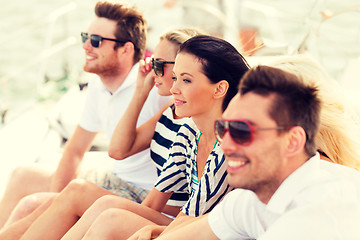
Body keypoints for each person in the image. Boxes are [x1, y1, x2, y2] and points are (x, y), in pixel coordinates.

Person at [15, 35, 250, 240]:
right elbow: (152, 203)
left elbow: (196, 221)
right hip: (185, 224)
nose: (174, 88)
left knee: (112, 219)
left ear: (219, 89)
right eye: (175, 77)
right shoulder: (190, 131)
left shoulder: (227, 147)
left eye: (186, 80)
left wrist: (151, 230)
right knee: (107, 206)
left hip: (210, 234)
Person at [0, 0, 170, 233]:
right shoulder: (98, 84)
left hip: (140, 193)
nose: (86, 46)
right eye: (85, 37)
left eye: (96, 41)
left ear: (126, 49)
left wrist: (56, 204)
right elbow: (76, 149)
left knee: (32, 204)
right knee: (23, 175)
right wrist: (57, 198)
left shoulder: (154, 89)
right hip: (113, 178)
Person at [152, 65, 360, 240]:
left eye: (242, 131)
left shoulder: (318, 218)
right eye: (223, 129)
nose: (225, 145)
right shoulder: (253, 196)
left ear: (293, 141)